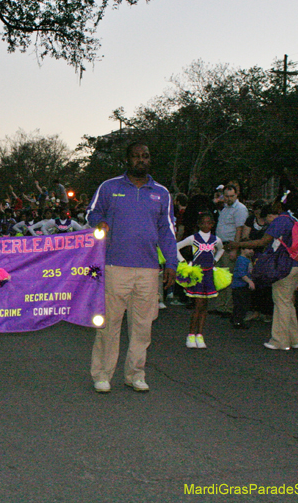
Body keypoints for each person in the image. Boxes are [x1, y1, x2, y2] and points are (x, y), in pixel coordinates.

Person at [87, 143, 177, 393]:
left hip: (148, 270)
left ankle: (135, 374)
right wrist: (100, 222)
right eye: (136, 156)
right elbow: (91, 213)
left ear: (150, 159)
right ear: (127, 159)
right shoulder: (110, 186)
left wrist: (171, 263)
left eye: (145, 156)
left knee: (143, 325)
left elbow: (167, 231)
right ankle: (102, 374)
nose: (141, 160)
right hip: (114, 266)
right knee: (108, 325)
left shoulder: (161, 192)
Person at [228, 200, 298, 351]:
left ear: (272, 215)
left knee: (281, 302)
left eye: (267, 218)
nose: (267, 222)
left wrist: (238, 245)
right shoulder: (292, 220)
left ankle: (280, 340)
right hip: (297, 264)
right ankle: (294, 339)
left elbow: (263, 241)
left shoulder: (280, 222)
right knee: (287, 302)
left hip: (284, 266)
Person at [176, 212, 224, 347]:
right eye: (203, 223)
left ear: (213, 224)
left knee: (204, 307)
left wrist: (215, 260)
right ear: (199, 224)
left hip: (209, 274)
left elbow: (221, 250)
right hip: (197, 274)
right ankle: (191, 335)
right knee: (197, 305)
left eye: (209, 223)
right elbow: (176, 247)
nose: (206, 225)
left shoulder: (216, 240)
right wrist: (184, 262)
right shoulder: (193, 238)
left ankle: (200, 335)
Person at [213, 184, 248, 315]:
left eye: (231, 196)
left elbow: (239, 229)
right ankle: (220, 305)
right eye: (226, 196)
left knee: (229, 277)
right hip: (220, 246)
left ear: (236, 195)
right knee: (220, 277)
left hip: (230, 246)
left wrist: (235, 248)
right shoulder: (225, 208)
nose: (228, 199)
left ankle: (228, 307)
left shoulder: (239, 209)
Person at [230, 247, 255, 329]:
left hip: (241, 286)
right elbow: (241, 273)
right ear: (242, 250)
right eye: (249, 249)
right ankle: (238, 321)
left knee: (239, 304)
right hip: (239, 286)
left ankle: (235, 319)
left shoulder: (246, 260)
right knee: (241, 304)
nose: (251, 251)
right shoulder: (242, 260)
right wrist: (249, 281)